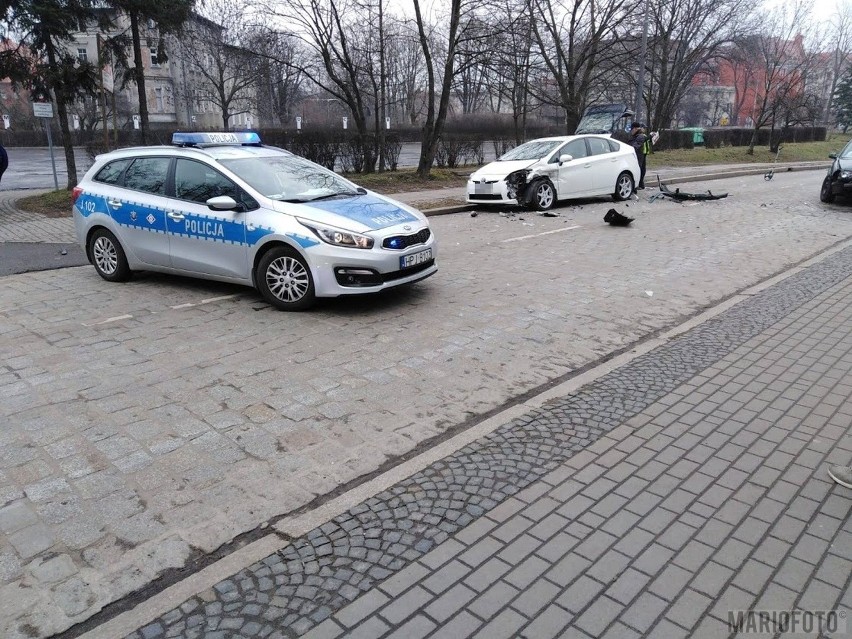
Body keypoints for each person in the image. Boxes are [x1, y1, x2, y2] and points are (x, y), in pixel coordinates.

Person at [629, 122, 651, 189]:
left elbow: (635, 146)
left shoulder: (640, 136)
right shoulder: (640, 135)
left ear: (635, 129)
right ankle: (640, 184)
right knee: (641, 169)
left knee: (640, 169)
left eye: (632, 129)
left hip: (640, 154)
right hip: (642, 154)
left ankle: (639, 184)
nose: (631, 130)